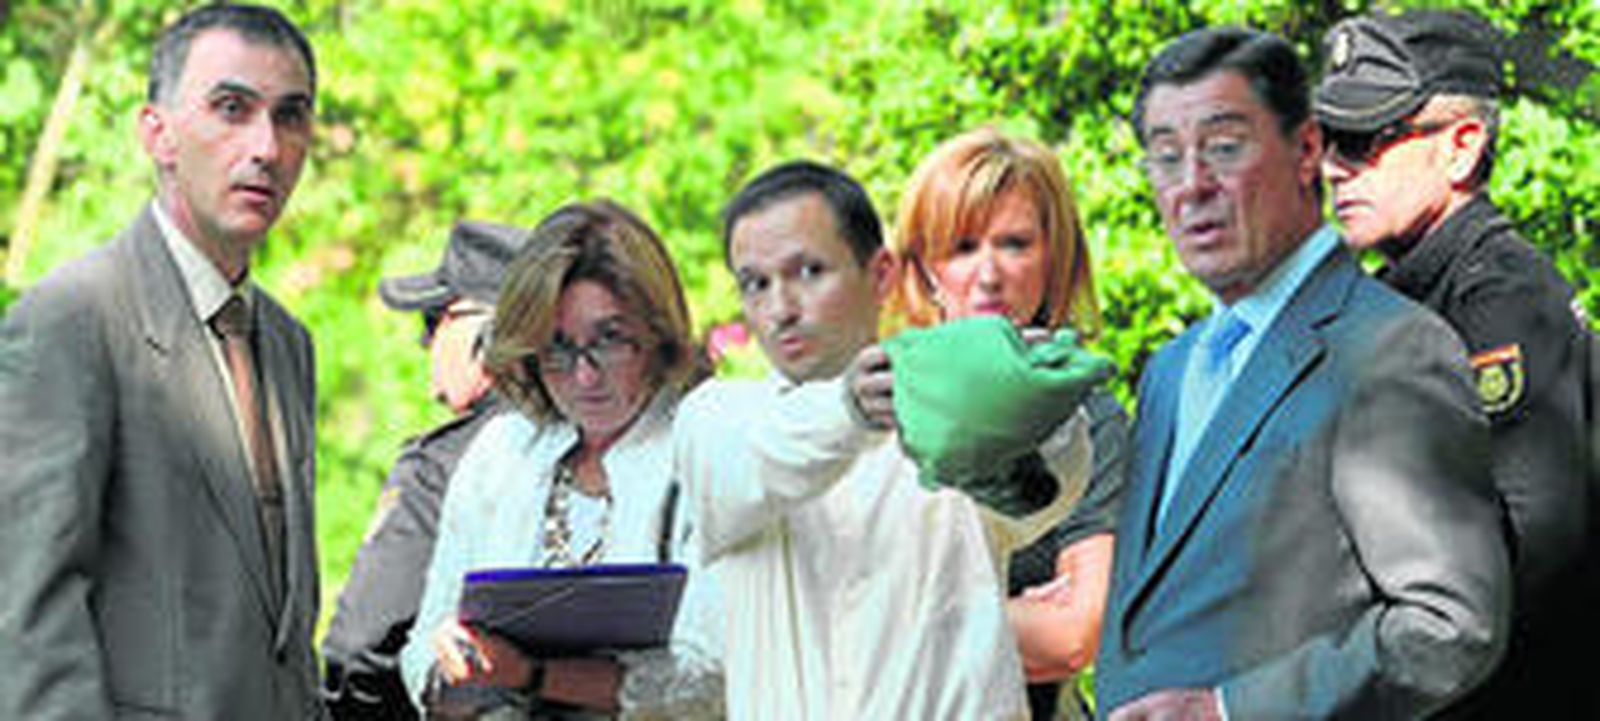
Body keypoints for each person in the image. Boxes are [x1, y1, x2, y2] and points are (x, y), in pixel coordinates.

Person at [1095, 26, 1511, 720]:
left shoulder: (1390, 348)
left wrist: (1228, 709)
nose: (1191, 185)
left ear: (1307, 150)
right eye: (1165, 157)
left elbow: (1450, 623)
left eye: (1225, 147)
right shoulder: (1170, 369)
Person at [675, 160, 1103, 719]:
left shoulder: (957, 413)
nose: (779, 309)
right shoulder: (718, 419)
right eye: (755, 283)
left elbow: (1047, 487)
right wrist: (850, 409)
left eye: (807, 272)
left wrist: (1028, 406)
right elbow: (768, 456)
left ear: (880, 275)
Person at [0, 5, 323, 719]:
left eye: (290, 116)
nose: (265, 146)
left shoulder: (289, 342)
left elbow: (282, 630)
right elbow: (26, 621)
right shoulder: (70, 320)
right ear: (158, 133)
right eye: (231, 108)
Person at [1315, 10, 1595, 714]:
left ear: (1461, 147)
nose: (1331, 167)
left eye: (1360, 139)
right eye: (1326, 140)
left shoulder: (1499, 301)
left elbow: (1535, 560)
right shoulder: (1400, 299)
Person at [399, 200, 722, 719]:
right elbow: (423, 642)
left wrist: (531, 675)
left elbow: (709, 682)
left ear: (658, 333)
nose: (585, 376)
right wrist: (452, 670)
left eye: (610, 340)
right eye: (557, 348)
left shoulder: (704, 450)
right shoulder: (503, 453)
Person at [881, 126, 1128, 720]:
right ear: (925, 267)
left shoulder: (1087, 417)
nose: (988, 274)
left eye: (1014, 244)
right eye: (962, 247)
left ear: (1055, 257)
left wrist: (890, 616)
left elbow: (1074, 634)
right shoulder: (871, 402)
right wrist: (999, 609)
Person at [322, 220, 532, 718]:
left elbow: (359, 648)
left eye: (432, 322)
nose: (426, 346)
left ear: (480, 326)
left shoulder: (443, 465)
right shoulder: (601, 447)